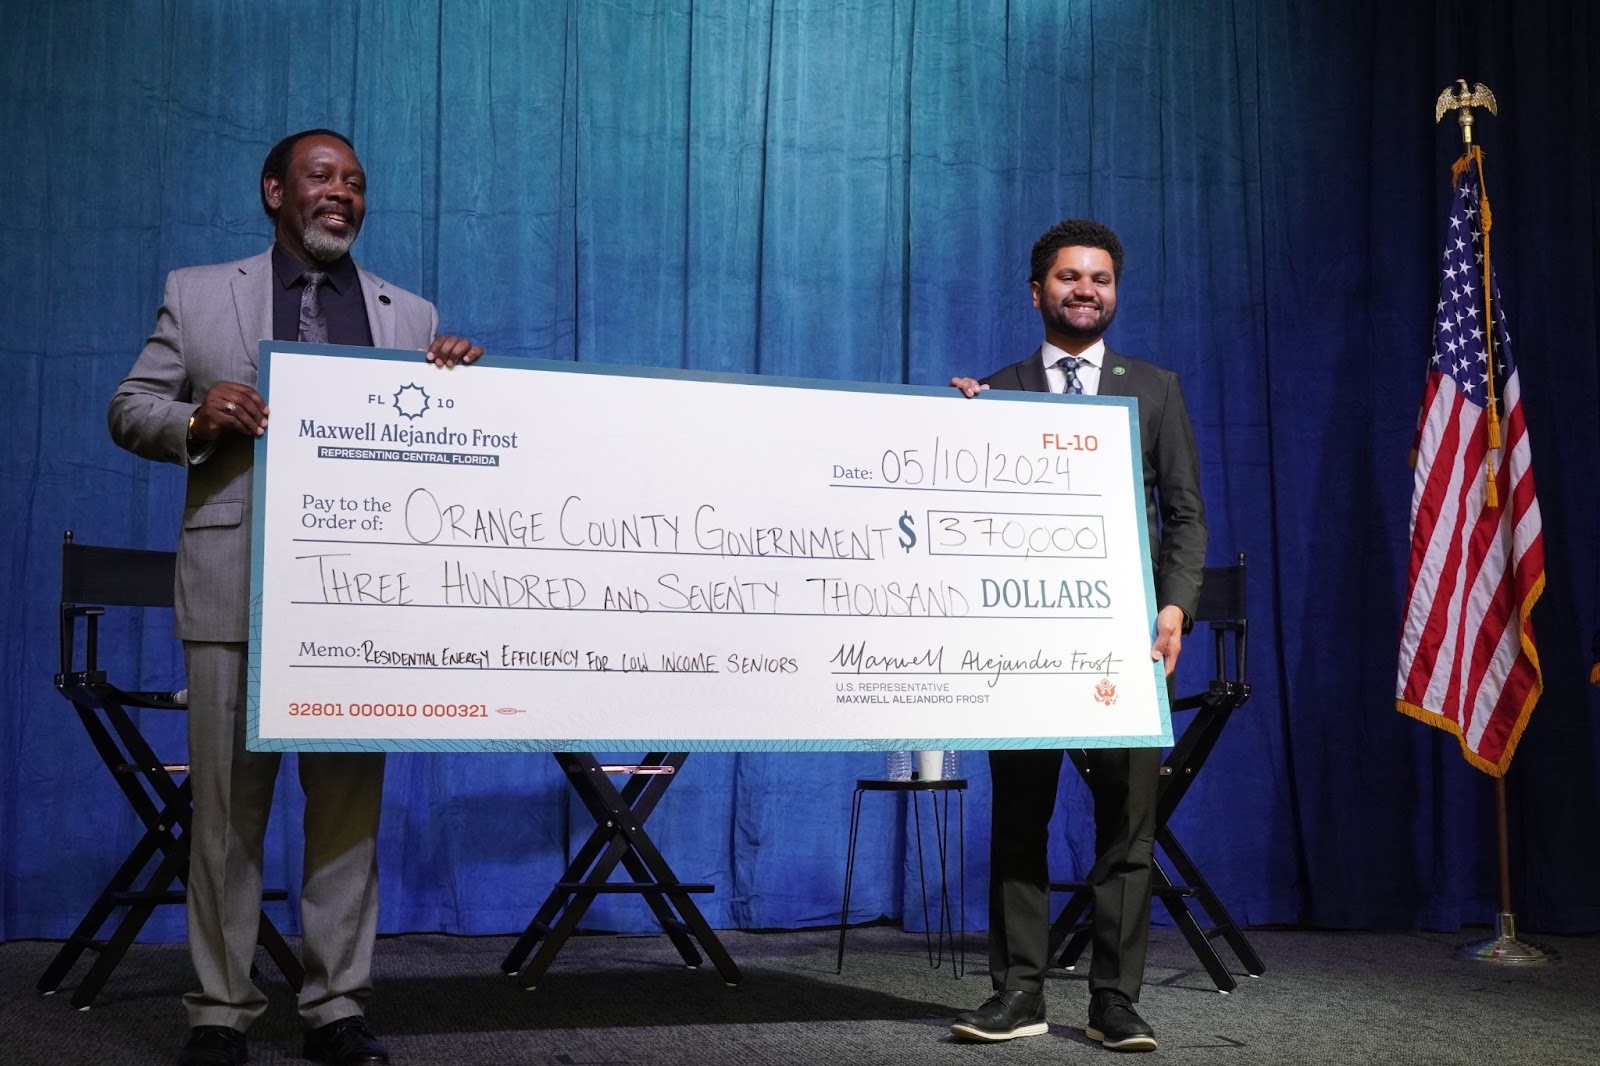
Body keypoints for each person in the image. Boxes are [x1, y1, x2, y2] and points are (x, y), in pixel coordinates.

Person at [109, 129, 482, 1066]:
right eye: (322, 177)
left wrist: (461, 388)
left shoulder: (411, 313)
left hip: (362, 601)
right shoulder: (200, 293)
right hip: (236, 585)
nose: (342, 194)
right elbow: (130, 407)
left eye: (355, 181)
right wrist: (197, 417)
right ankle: (219, 1013)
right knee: (227, 815)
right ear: (276, 190)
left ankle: (336, 1007)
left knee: (348, 809)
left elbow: (441, 446)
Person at [948, 218, 1207, 1052]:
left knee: (1127, 827)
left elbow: (1185, 518)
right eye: (1067, 277)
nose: (1084, 289)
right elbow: (964, 513)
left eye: (1099, 278)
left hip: (1126, 647)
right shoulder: (994, 391)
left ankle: (1113, 1002)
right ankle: (1018, 994)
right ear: (1038, 291)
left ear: (1115, 292)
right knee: (1020, 817)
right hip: (1025, 648)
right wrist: (948, 431)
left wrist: (1174, 611)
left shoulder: (1156, 388)